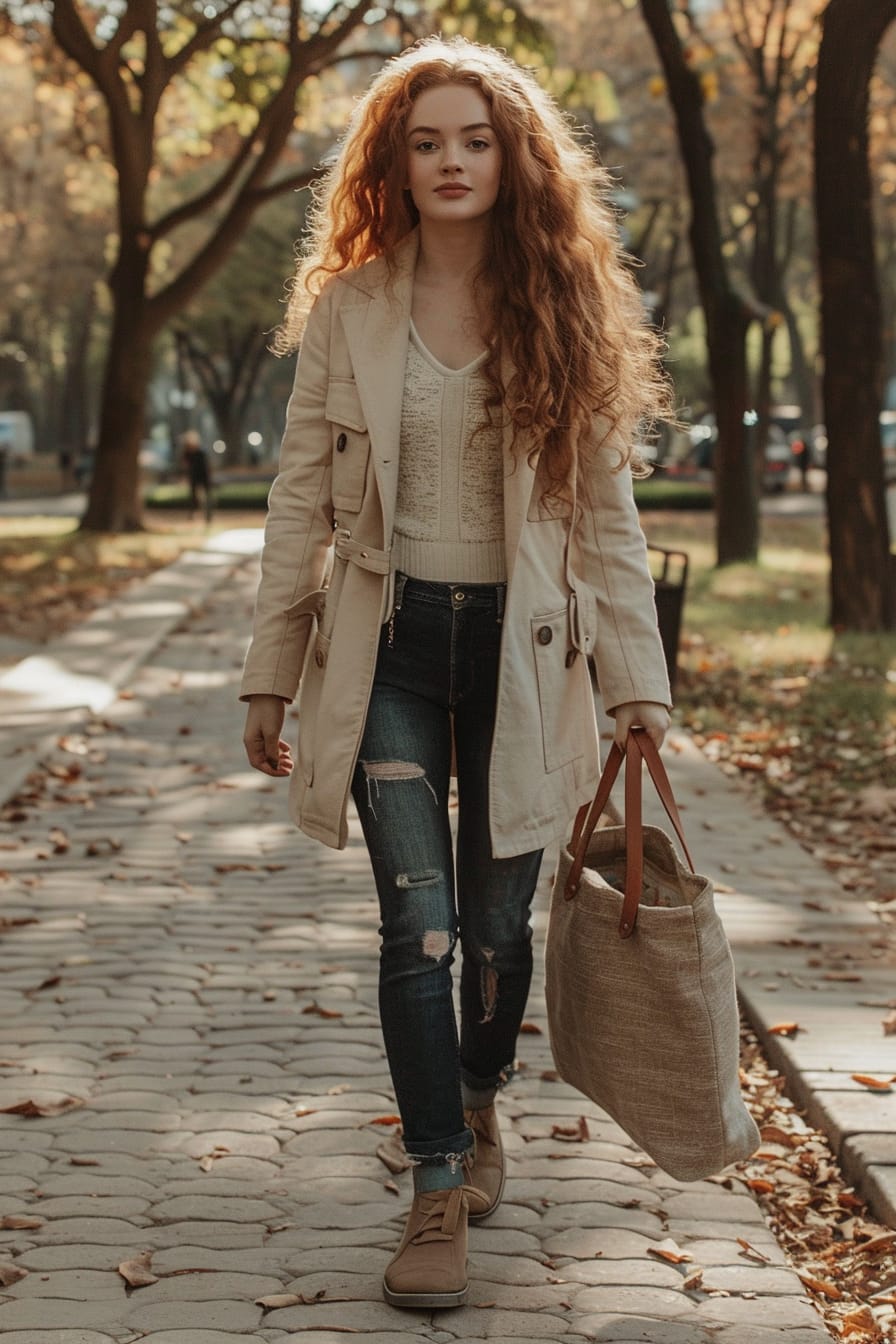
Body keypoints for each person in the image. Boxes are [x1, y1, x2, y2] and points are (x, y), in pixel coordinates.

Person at [241, 36, 673, 1311]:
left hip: (524, 661)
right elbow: (297, 499)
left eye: (473, 140)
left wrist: (638, 685)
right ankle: (436, 1180)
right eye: (425, 140)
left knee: (492, 933)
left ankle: (477, 1096)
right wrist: (270, 669)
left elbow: (605, 517)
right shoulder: (350, 308)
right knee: (416, 928)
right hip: (382, 650)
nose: (449, 160)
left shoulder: (561, 302)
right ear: (393, 158)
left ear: (510, 157)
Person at [180, 429, 213, 521]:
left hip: (203, 476)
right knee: (193, 497)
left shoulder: (201, 452)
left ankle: (208, 515)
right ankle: (192, 514)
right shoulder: (186, 453)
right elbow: (184, 466)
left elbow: (207, 466)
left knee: (207, 496)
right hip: (194, 477)